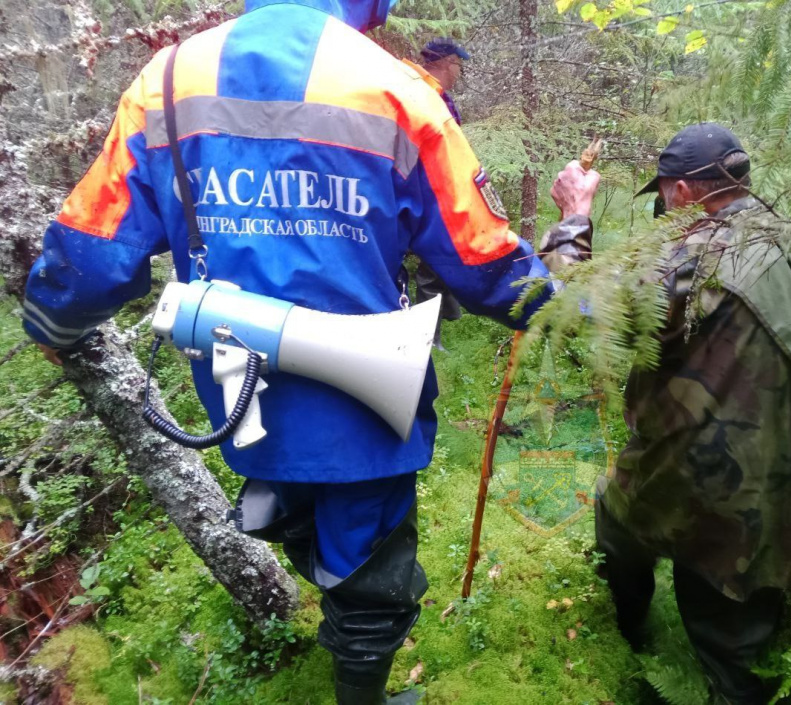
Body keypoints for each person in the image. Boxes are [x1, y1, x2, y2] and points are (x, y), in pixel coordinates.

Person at [20, 1, 599, 703]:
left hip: (238, 393)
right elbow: (482, 261)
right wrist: (581, 305)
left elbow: (93, 245)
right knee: (370, 573)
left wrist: (54, 325)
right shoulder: (396, 89)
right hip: (364, 402)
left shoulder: (168, 79)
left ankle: (312, 570)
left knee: (290, 504)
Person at [542, 124, 791, 704]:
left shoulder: (694, 257)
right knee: (736, 635)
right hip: (782, 478)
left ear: (680, 193)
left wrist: (575, 214)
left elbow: (582, 303)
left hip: (701, 475)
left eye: (665, 195)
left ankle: (624, 631)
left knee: (620, 520)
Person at [401, 37, 472, 349]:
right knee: (432, 263)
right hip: (429, 189)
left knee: (445, 257)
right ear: (444, 62)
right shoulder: (425, 93)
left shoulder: (438, 94)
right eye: (457, 64)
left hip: (441, 186)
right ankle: (428, 338)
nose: (458, 71)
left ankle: (448, 315)